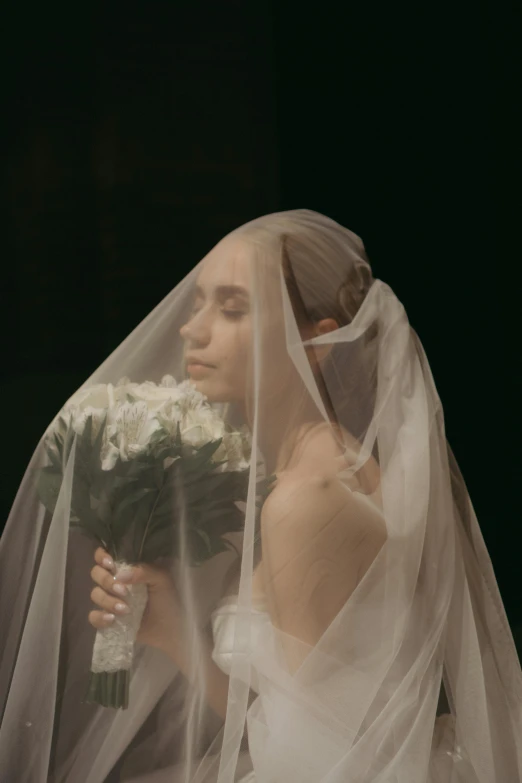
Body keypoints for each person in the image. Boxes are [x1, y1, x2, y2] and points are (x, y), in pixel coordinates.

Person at [1, 209, 521, 782]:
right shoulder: (310, 468)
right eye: (197, 303)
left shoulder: (308, 502)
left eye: (232, 309)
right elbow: (297, 721)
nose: (190, 329)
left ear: (319, 342)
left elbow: (326, 765)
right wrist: (175, 630)